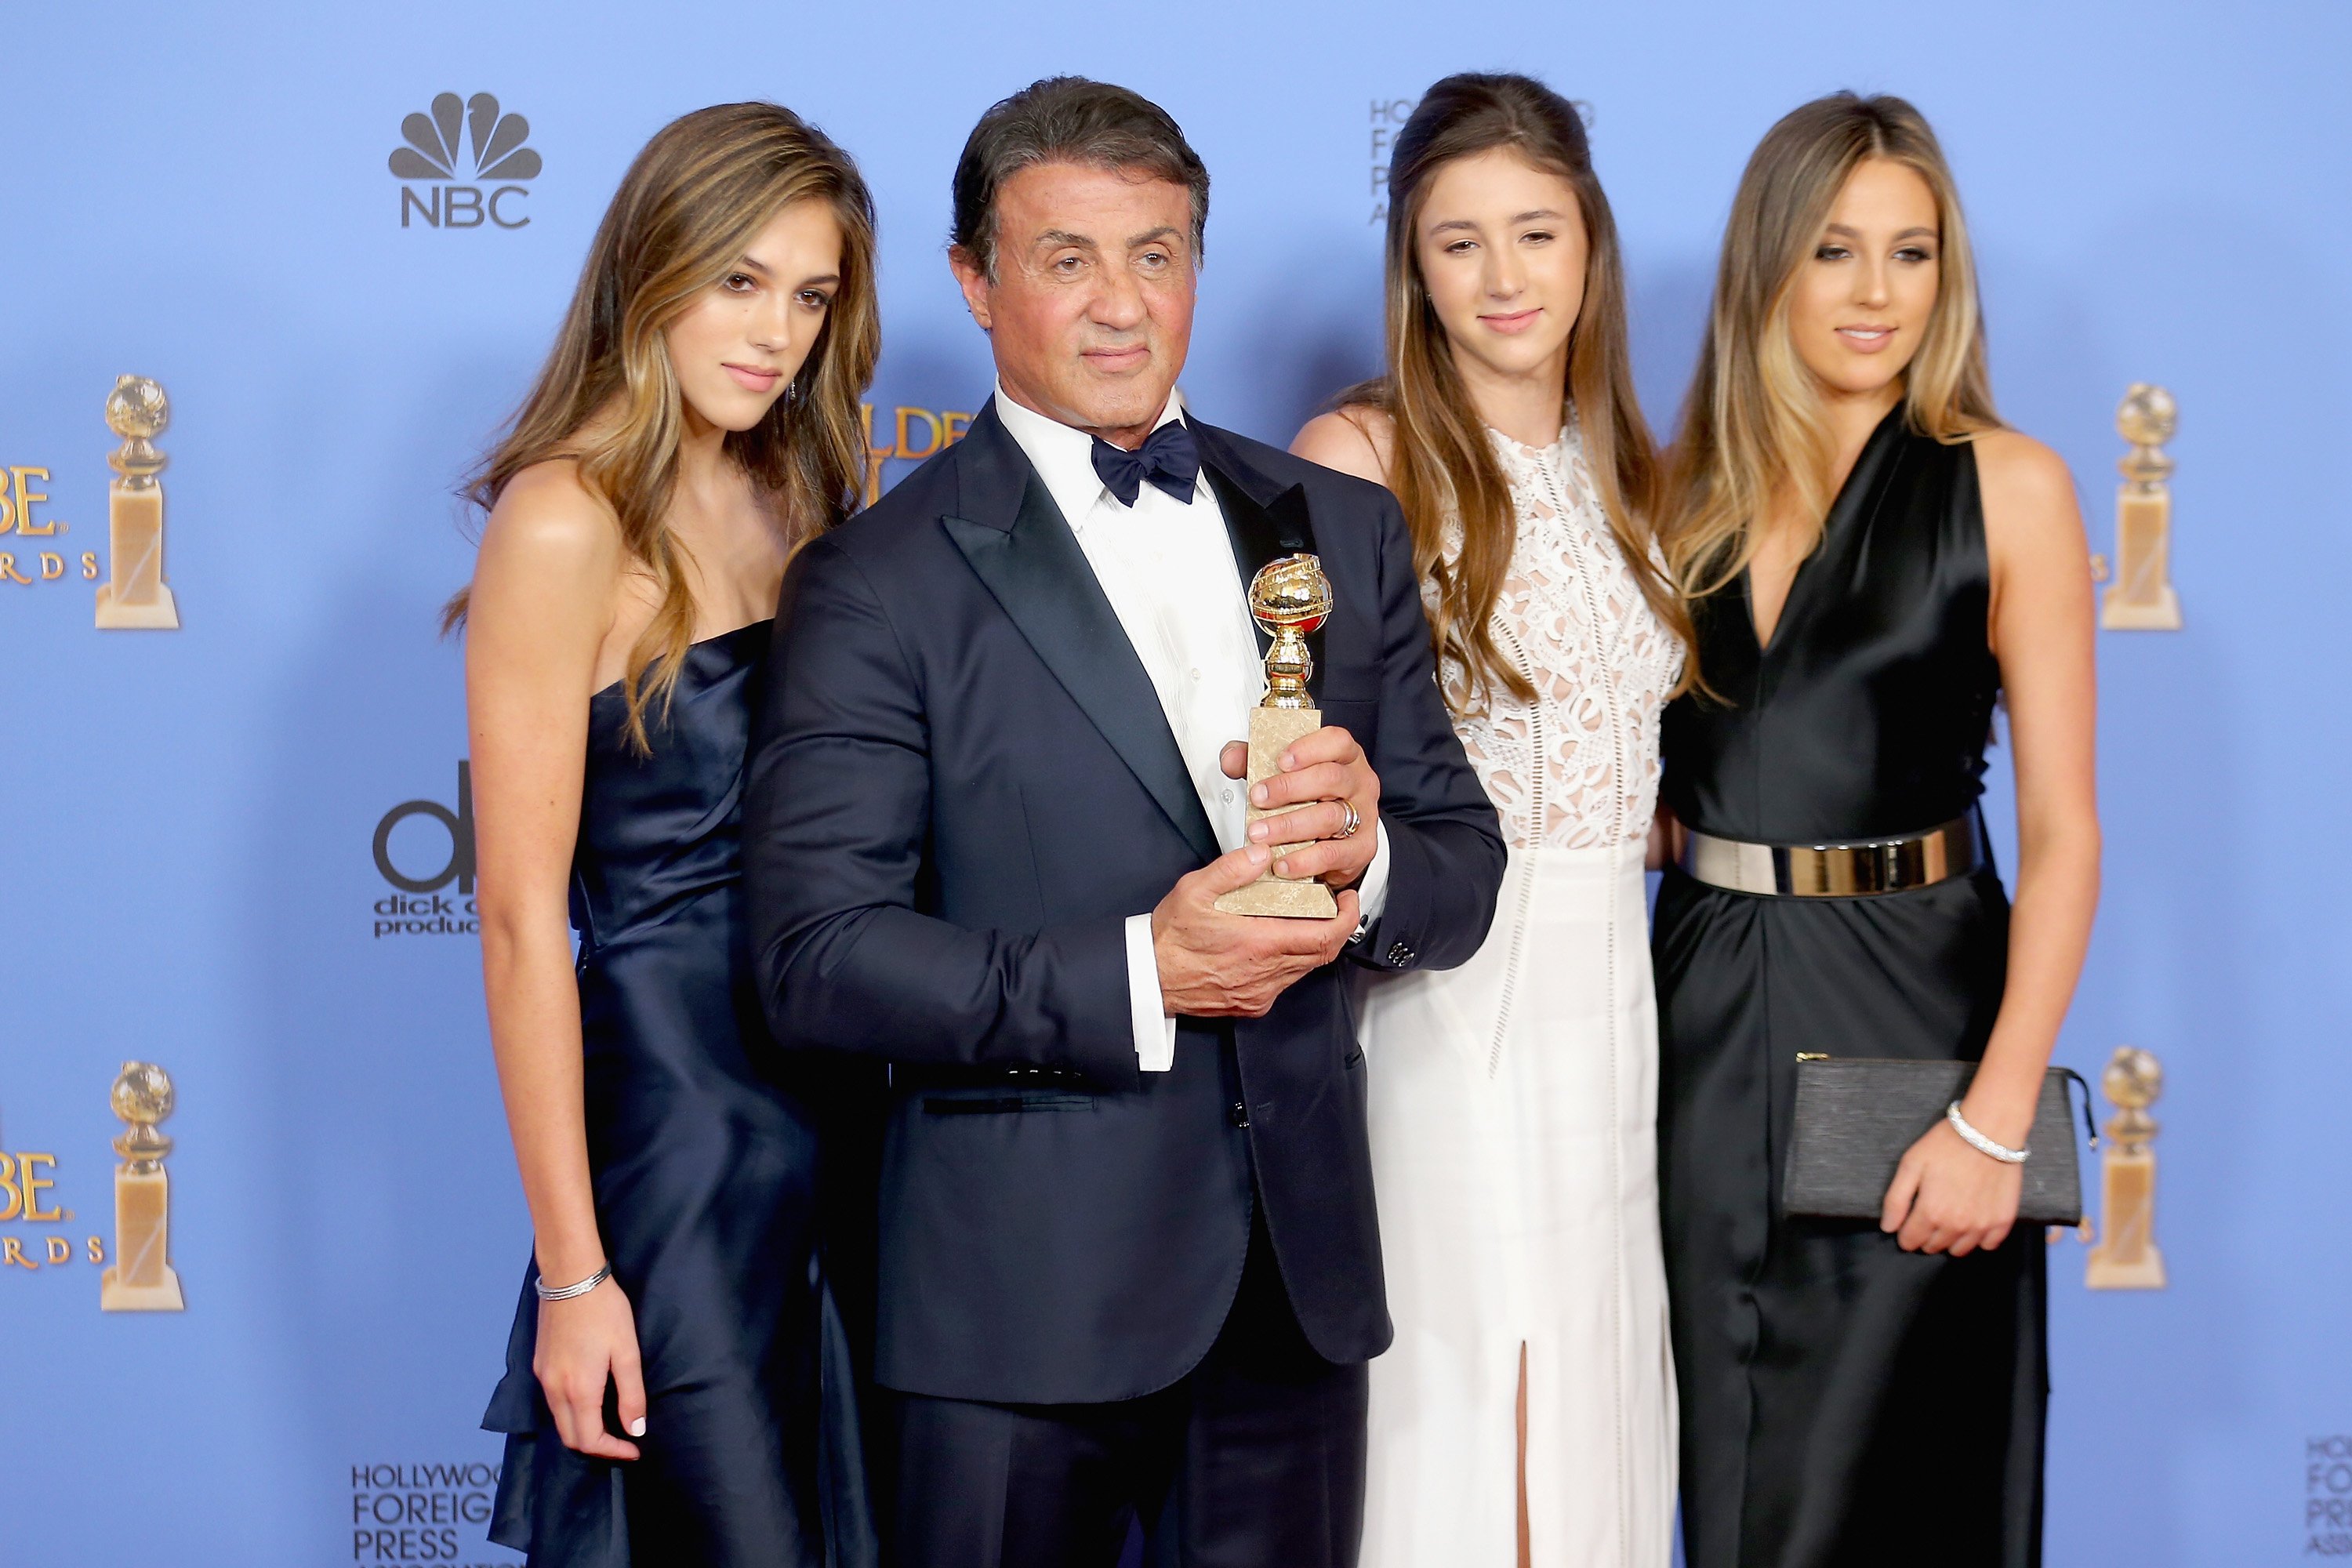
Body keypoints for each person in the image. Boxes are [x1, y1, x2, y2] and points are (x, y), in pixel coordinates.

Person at [742, 76, 1504, 1568]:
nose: (1119, 308)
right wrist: (1148, 971)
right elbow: (817, 958)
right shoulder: (876, 581)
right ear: (973, 281)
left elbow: (1461, 870)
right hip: (1018, 1314)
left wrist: (1372, 865)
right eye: (1066, 258)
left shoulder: (1333, 523)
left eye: (1155, 255)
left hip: (1294, 1291)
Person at [1651, 93, 2100, 1568]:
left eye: (1911, 254)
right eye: (1836, 251)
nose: (1875, 294)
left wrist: (1995, 1115)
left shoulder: (2008, 485)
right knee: (1721, 1459)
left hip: (1918, 1011)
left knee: (1903, 1471)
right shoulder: (1677, 494)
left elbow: (2066, 830)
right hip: (1702, 1010)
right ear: (1770, 262)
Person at [459, 102, 883, 1566]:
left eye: (813, 296)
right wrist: (577, 1278)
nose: (777, 333)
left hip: (843, 1111)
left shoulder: (801, 488)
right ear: (653, 270)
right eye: (740, 281)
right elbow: (520, 923)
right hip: (679, 1148)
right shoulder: (565, 518)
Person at [1294, 71, 1689, 1568]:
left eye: (1535, 232)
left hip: (1615, 984)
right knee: (1452, 1387)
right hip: (1443, 990)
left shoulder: (1636, 468)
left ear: (1590, 243)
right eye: (1459, 242)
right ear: (1413, 264)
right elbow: (1303, 768)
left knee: (1590, 1378)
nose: (1504, 277)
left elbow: (1622, 755)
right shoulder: (1362, 456)